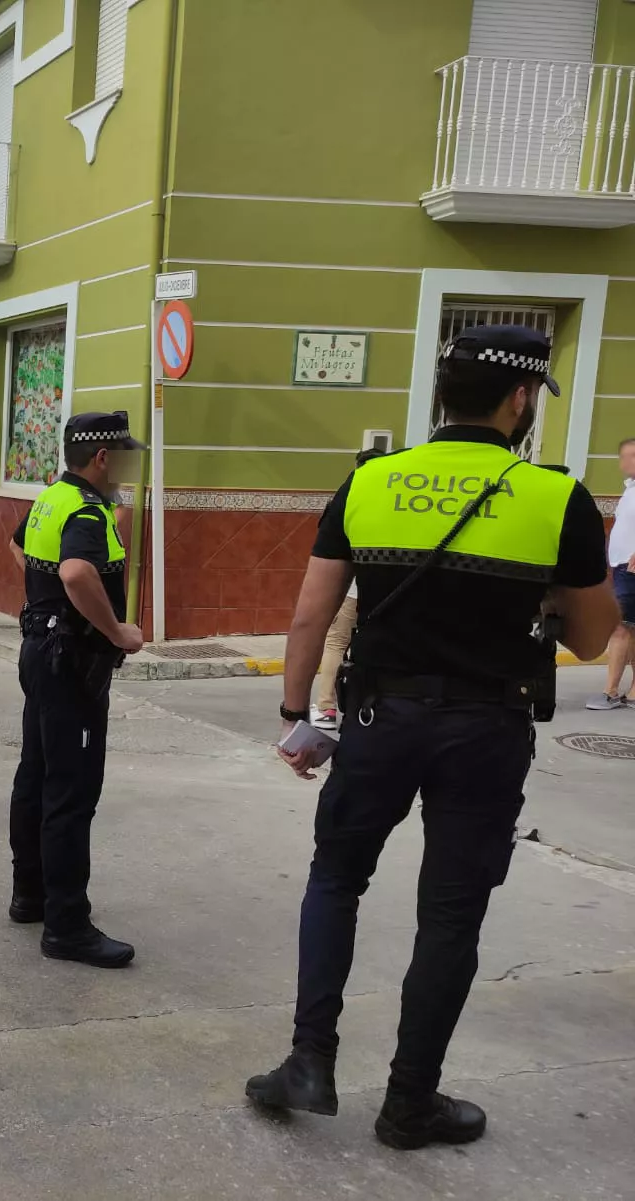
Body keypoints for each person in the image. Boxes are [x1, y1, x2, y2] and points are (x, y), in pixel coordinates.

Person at [247, 326, 618, 1150]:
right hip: (487, 730)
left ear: (442, 393)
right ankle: (409, 1102)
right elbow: (596, 641)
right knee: (449, 915)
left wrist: (295, 713)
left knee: (336, 877)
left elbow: (311, 612)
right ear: (520, 399)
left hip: (379, 719)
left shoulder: (371, 482)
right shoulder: (556, 497)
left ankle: (310, 1060)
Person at [5, 411, 147, 969]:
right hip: (72, 662)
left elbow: (17, 547)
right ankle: (67, 925)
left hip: (42, 650)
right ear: (103, 457)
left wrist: (43, 607)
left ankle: (30, 896)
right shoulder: (86, 511)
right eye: (124, 455)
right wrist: (116, 631)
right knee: (71, 791)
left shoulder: (52, 499)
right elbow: (77, 574)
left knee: (36, 775)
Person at [312, 449, 386, 731]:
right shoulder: (392, 503)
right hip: (383, 594)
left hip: (351, 591)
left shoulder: (350, 498)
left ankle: (327, 708)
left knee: (335, 643)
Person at [587, 436, 635, 709]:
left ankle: (611, 691)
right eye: (624, 456)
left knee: (620, 627)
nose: (627, 461)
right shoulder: (629, 489)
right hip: (622, 566)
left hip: (631, 568)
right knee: (631, 628)